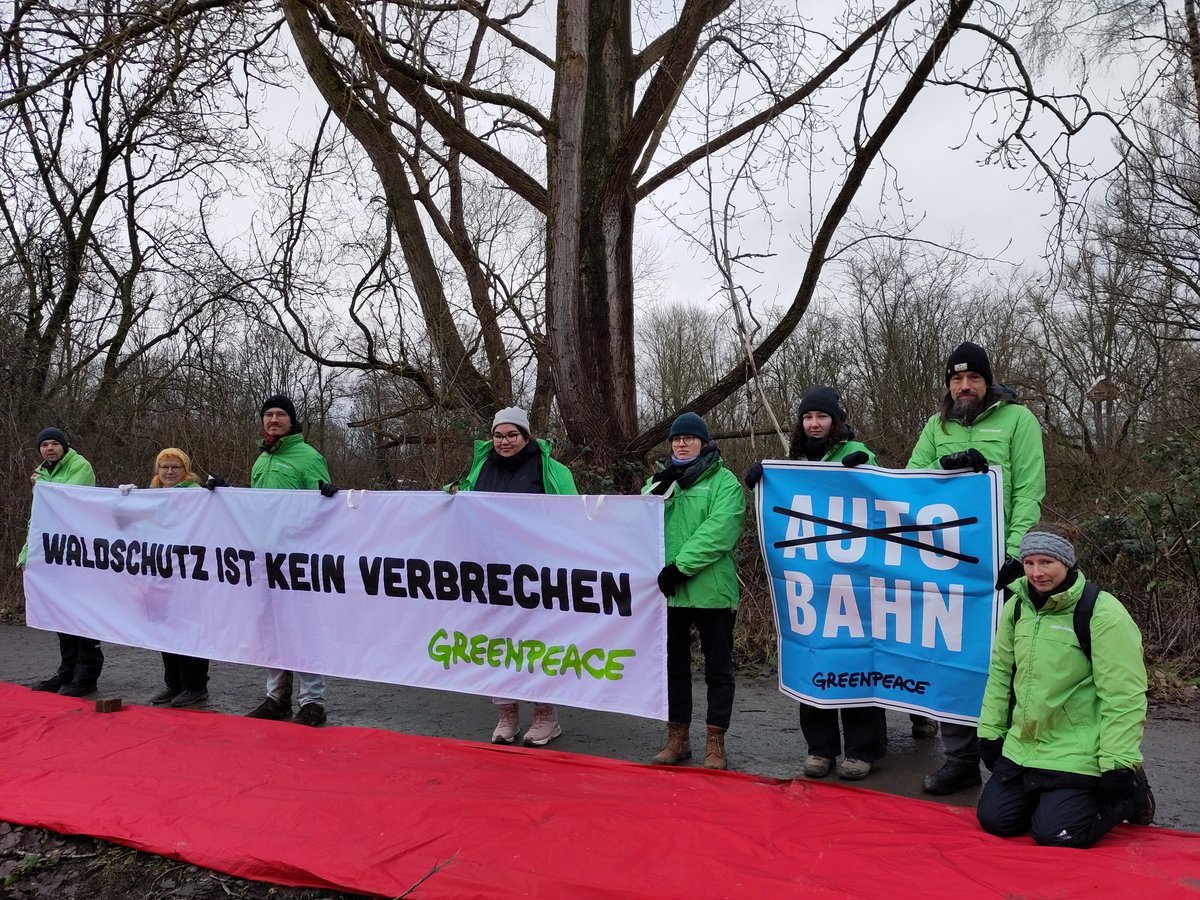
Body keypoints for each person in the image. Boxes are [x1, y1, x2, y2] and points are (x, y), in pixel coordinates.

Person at [907, 341, 1046, 795]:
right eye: (956, 379)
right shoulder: (936, 424)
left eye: (973, 379)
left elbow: (1029, 491)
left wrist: (1014, 554)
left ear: (987, 382)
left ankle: (1009, 762)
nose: (965, 387)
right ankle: (960, 760)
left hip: (999, 568)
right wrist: (942, 466)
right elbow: (910, 479)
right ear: (948, 384)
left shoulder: (1018, 420)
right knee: (951, 662)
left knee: (1005, 666)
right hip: (946, 565)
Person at [975, 529, 1155, 847]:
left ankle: (1134, 792)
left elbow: (1124, 695)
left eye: (1046, 562)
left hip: (1077, 748)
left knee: (1056, 834)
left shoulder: (1103, 614)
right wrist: (990, 732)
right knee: (996, 821)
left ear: (1067, 564)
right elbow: (1001, 674)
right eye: (1029, 562)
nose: (1035, 572)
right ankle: (1051, 799)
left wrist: (1118, 763)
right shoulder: (1017, 609)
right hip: (1024, 745)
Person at [747, 386, 885, 780]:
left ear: (835, 421)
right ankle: (820, 748)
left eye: (821, 417)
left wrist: (866, 470)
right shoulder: (796, 462)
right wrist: (761, 480)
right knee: (814, 657)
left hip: (855, 579)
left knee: (857, 657)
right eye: (808, 417)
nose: (814, 424)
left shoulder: (857, 453)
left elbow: (884, 493)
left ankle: (863, 750)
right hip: (811, 584)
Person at [449, 407, 578, 747]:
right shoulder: (482, 467)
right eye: (498, 435)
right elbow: (465, 508)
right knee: (496, 644)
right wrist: (452, 496)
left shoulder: (551, 470)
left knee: (535, 643)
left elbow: (573, 518)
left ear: (525, 436)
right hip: (490, 572)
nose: (504, 442)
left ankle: (546, 716)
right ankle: (506, 713)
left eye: (511, 435)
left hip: (535, 573)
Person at [644, 412, 745, 770]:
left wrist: (680, 568)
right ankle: (678, 737)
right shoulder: (660, 483)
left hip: (711, 591)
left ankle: (715, 741)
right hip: (669, 595)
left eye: (688, 438)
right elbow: (640, 520)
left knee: (718, 669)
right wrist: (660, 489)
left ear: (704, 442)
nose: (681, 444)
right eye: (675, 439)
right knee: (673, 668)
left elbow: (718, 532)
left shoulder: (725, 482)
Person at [239, 395, 339, 727]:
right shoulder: (260, 460)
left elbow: (324, 509)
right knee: (271, 630)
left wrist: (329, 496)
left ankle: (313, 701)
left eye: (281, 414)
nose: (274, 419)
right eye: (268, 414)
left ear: (292, 421)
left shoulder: (309, 457)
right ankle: (276, 697)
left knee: (303, 629)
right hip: (264, 558)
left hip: (297, 560)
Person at [19, 427, 103, 697]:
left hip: (78, 554)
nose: (50, 448)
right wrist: (26, 553)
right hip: (53, 555)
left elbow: (67, 500)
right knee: (60, 617)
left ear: (64, 446)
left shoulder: (80, 466)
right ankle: (67, 671)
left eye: (55, 443)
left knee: (81, 616)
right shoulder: (43, 472)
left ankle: (86, 674)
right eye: (45, 445)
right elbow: (39, 519)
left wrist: (41, 487)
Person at [146, 448, 210, 709]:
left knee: (189, 629)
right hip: (161, 575)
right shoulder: (149, 497)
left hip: (189, 575)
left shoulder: (196, 495)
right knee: (165, 629)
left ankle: (195, 686)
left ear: (186, 470)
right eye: (164, 467)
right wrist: (123, 498)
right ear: (157, 471)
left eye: (175, 467)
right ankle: (173, 683)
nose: (169, 472)